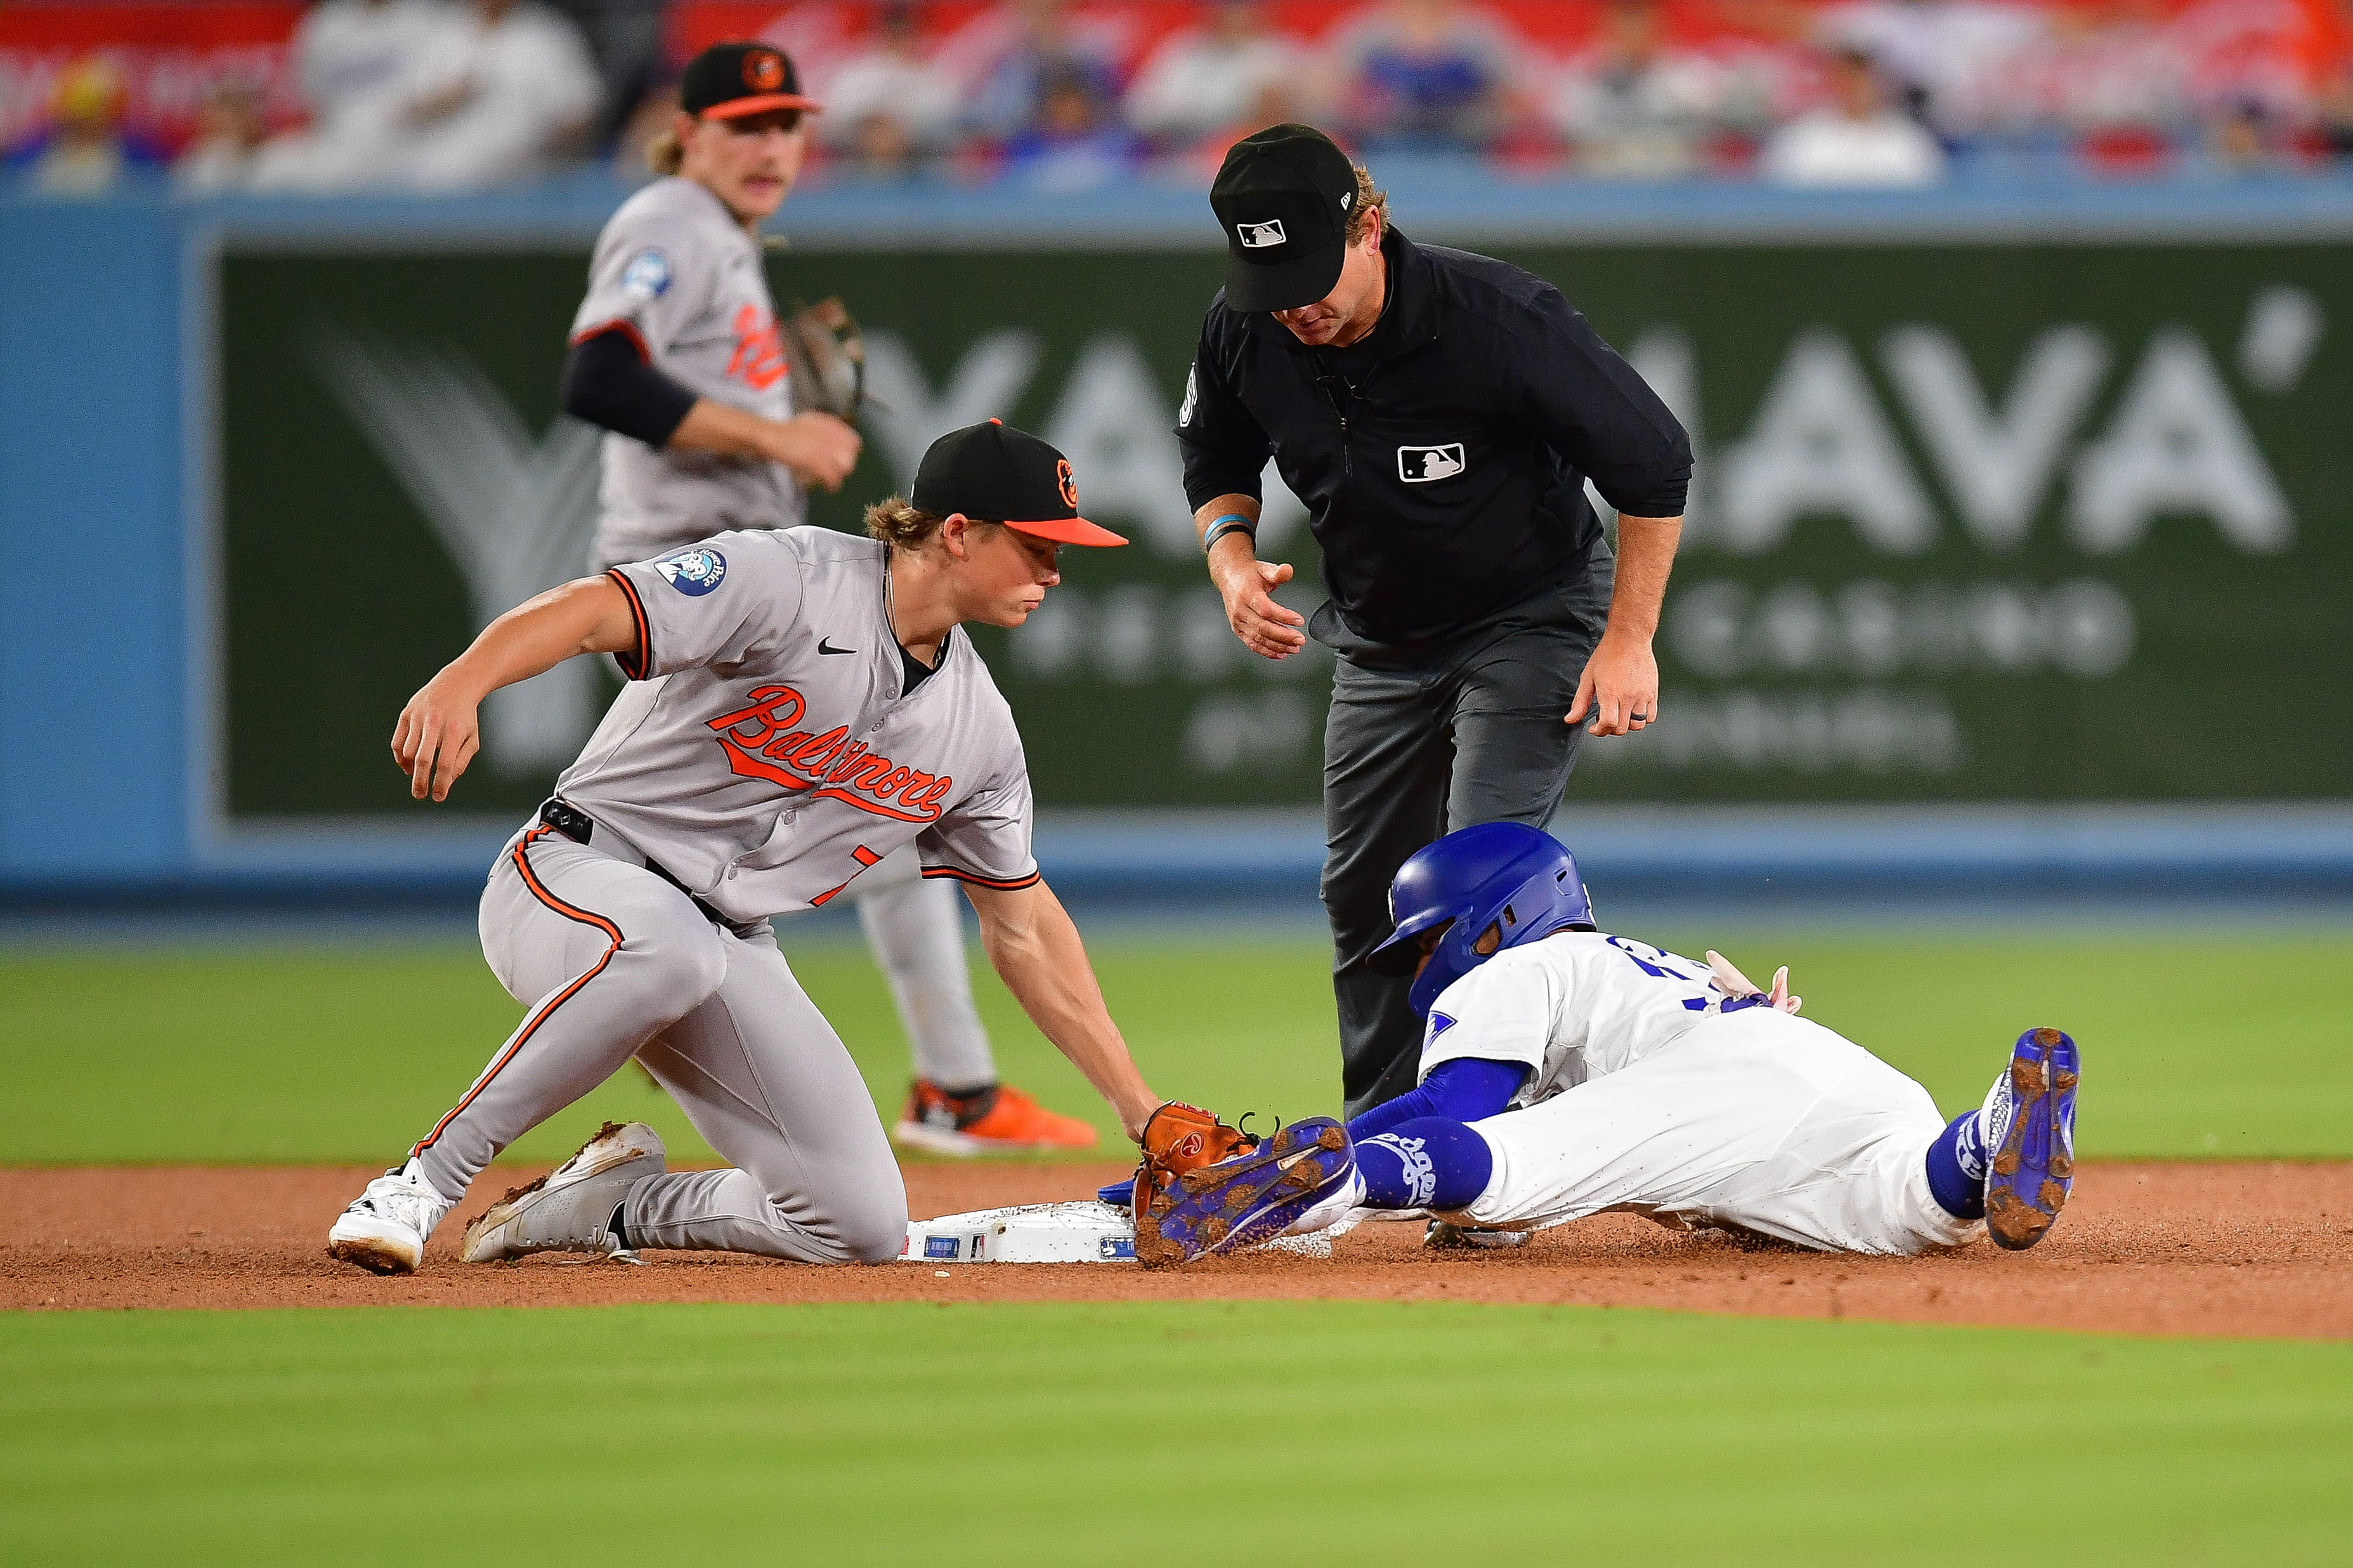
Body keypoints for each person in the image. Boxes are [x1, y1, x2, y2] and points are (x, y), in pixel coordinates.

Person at [326, 419, 1163, 1276]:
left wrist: (1141, 1110)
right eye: (1036, 547)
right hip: (575, 872)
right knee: (669, 948)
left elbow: (1021, 926)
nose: (1055, 573)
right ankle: (418, 1185)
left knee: (858, 1225)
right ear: (956, 532)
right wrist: (464, 679)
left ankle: (607, 1206)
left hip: (722, 944)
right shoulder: (788, 577)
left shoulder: (977, 728)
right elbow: (591, 612)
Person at [559, 41, 1094, 1154]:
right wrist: (773, 431)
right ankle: (676, 997)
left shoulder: (723, 242)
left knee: (885, 812)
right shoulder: (669, 220)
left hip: (720, 555)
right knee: (711, 825)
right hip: (692, 573)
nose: (771, 146)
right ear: (688, 132)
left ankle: (945, 1080)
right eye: (744, 125)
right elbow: (597, 374)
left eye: (787, 125)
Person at [1176, 123, 1691, 1120]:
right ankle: (1387, 1141)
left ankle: (1506, 1140)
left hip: (1529, 615)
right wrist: (1230, 562)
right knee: (1366, 901)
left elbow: (1653, 460)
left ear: (1369, 227)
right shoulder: (1248, 325)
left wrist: (1628, 639)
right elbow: (1216, 457)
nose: (1294, 305)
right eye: (1269, 282)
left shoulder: (1496, 319)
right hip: (1378, 640)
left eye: (1309, 273)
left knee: (1478, 886)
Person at [1144, 823, 2082, 1264]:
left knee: (1508, 1161)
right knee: (1918, 1208)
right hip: (1837, 1072)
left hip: (1711, 1089)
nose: (1423, 964)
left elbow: (1453, 1111)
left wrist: (1296, 1158)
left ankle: (1290, 1187)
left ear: (1489, 921)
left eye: (1428, 939)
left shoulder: (1519, 968)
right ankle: (1990, 1124)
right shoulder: (1636, 964)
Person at [1757, 42, 1946, 186]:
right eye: (1848, 77)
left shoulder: (1908, 141)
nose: (1857, 87)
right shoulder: (1801, 138)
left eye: (1864, 78)